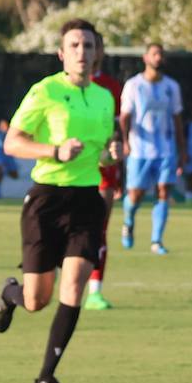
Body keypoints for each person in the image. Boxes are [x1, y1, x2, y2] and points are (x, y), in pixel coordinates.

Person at [0, 19, 121, 383]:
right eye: (75, 45)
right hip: (46, 200)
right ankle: (8, 294)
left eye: (89, 46)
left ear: (98, 54)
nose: (83, 52)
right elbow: (13, 143)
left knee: (76, 285)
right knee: (36, 300)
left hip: (86, 201)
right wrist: (54, 151)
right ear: (63, 54)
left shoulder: (104, 97)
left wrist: (112, 154)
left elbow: (105, 147)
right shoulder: (44, 91)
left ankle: (46, 377)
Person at [119, 43, 184, 255]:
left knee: (164, 191)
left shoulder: (171, 86)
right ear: (146, 57)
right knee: (136, 195)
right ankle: (128, 221)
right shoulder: (133, 85)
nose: (158, 58)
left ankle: (157, 240)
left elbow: (177, 118)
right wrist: (126, 140)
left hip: (166, 150)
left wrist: (182, 150)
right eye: (154, 54)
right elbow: (125, 116)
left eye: (161, 55)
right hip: (140, 150)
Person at [86, 33, 122, 310]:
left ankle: (95, 291)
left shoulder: (111, 88)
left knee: (99, 230)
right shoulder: (57, 88)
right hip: (67, 174)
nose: (88, 52)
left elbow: (116, 132)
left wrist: (116, 158)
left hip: (103, 173)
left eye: (93, 46)